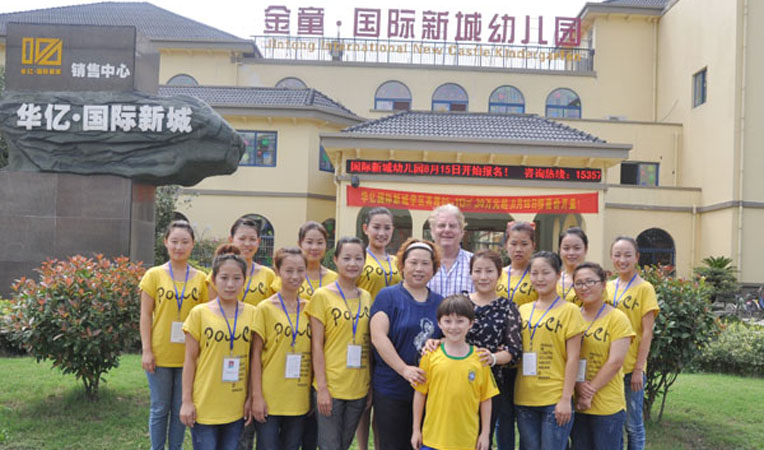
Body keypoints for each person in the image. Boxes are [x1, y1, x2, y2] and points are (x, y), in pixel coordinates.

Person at [139, 220, 209, 450]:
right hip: (160, 354)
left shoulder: (202, 279)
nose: (179, 247)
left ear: (192, 244)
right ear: (166, 242)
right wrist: (147, 350)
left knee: (181, 407)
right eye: (175, 241)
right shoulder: (154, 275)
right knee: (159, 407)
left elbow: (206, 318)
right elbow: (145, 315)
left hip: (189, 356)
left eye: (184, 242)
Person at [369, 238, 444, 450]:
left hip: (428, 392)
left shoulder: (440, 302)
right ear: (402, 265)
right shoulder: (388, 296)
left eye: (425, 263)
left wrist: (439, 342)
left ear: (434, 268)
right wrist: (404, 370)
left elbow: (449, 337)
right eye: (413, 262)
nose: (419, 269)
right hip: (392, 389)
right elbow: (378, 337)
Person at [180, 244, 256, 450]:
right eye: (224, 278)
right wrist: (186, 401)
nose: (230, 284)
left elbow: (255, 361)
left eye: (237, 278)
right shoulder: (199, 314)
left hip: (235, 406)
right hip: (205, 405)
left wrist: (251, 397)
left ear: (244, 280)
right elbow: (189, 360)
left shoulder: (253, 314)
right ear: (213, 280)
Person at [305, 237, 372, 450]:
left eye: (358, 258)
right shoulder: (322, 296)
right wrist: (322, 388)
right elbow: (316, 345)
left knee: (343, 444)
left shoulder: (367, 297)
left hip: (358, 387)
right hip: (331, 386)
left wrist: (369, 386)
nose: (353, 263)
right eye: (347, 258)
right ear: (335, 260)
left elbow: (368, 342)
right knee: (329, 446)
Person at [514, 251, 585, 450]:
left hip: (554, 398)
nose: (540, 278)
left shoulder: (570, 311)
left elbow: (573, 358)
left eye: (545, 272)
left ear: (558, 274)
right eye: (534, 273)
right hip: (525, 397)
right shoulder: (522, 310)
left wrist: (566, 399)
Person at [411, 294, 499, 450]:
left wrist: (485, 434)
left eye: (460, 321)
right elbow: (420, 393)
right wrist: (416, 430)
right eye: (448, 321)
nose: (453, 327)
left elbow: (486, 399)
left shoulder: (480, 358)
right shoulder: (430, 356)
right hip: (433, 439)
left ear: (470, 323)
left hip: (466, 441)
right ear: (439, 323)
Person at [250, 247, 312, 450]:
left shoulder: (310, 308)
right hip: (270, 396)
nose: (295, 276)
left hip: (298, 396)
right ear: (277, 271)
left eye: (300, 270)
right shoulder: (265, 308)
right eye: (289, 270)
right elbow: (255, 356)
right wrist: (257, 397)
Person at [571, 262, 635, 450]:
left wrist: (589, 391)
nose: (584, 287)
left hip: (607, 405)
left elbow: (615, 362)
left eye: (590, 281)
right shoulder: (572, 316)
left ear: (603, 284)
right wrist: (579, 387)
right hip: (576, 401)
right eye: (579, 283)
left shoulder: (617, 318)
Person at [606, 237, 660, 450]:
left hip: (630, 368)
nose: (622, 260)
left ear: (637, 257)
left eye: (628, 255)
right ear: (611, 257)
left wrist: (639, 369)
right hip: (608, 367)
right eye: (617, 255)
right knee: (614, 421)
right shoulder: (607, 287)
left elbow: (647, 332)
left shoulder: (645, 288)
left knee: (633, 425)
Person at [466, 250, 523, 450]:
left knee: (483, 439)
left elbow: (514, 350)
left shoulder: (507, 307)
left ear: (499, 274)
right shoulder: (460, 302)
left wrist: (493, 357)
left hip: (490, 384)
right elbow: (443, 336)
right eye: (477, 271)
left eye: (489, 271)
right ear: (470, 273)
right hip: (458, 381)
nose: (483, 276)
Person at [356, 208, 401, 450]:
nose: (381, 233)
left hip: (391, 337)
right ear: (366, 229)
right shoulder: (359, 259)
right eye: (376, 227)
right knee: (365, 400)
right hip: (362, 334)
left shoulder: (396, 262)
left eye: (386, 228)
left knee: (383, 401)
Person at [208, 216, 275, 307]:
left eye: (252, 239)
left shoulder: (268, 275)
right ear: (231, 240)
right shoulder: (219, 273)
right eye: (242, 239)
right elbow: (211, 308)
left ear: (258, 242)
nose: (247, 244)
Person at [272, 221, 337, 300]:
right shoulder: (286, 276)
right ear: (299, 244)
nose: (314, 247)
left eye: (320, 243)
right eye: (309, 242)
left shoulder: (334, 279)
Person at [427, 204, 474, 297]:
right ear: (432, 231)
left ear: (461, 232)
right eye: (441, 225)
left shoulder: (474, 263)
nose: (447, 230)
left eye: (452, 226)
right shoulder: (421, 263)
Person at [498, 221, 538, 307]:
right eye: (513, 244)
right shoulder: (497, 274)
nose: (518, 249)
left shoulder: (538, 276)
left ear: (533, 246)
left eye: (524, 244)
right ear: (506, 245)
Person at [558, 227, 588, 306]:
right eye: (566, 248)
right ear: (560, 250)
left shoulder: (593, 281)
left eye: (577, 248)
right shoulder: (553, 280)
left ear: (585, 249)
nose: (571, 253)